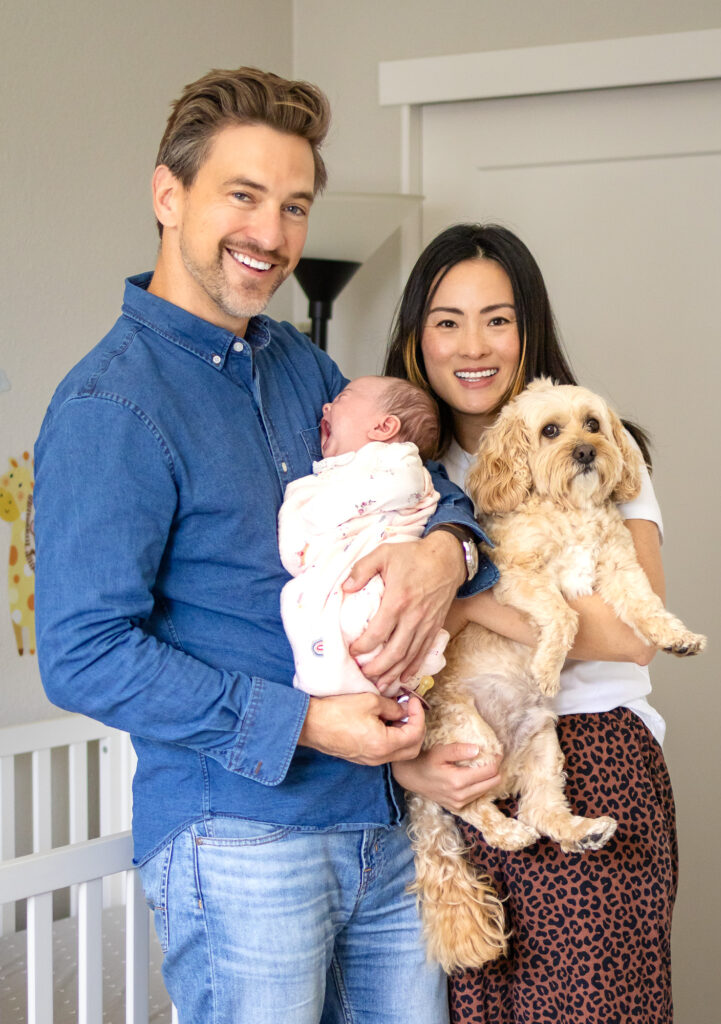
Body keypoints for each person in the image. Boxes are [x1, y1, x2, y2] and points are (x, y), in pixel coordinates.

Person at [33, 69, 500, 1024]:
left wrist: (442, 554)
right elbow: (83, 654)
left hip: (383, 818)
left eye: (293, 206)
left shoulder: (301, 363)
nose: (273, 235)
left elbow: (424, 485)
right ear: (169, 195)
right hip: (239, 838)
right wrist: (305, 723)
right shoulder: (109, 407)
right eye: (242, 196)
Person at [385, 223, 677, 1024]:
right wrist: (414, 771)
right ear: (417, 336)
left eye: (497, 319)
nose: (472, 345)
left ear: (529, 329)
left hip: (591, 755)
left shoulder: (598, 444)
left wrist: (468, 601)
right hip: (459, 765)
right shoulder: (401, 473)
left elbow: (628, 631)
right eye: (446, 320)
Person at [279, 374, 449, 699]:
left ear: (384, 428)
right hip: (341, 572)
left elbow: (407, 485)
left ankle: (364, 680)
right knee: (297, 599)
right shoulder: (335, 472)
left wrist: (327, 508)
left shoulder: (396, 459)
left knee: (361, 616)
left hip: (381, 579)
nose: (327, 406)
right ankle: (340, 680)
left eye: (343, 399)